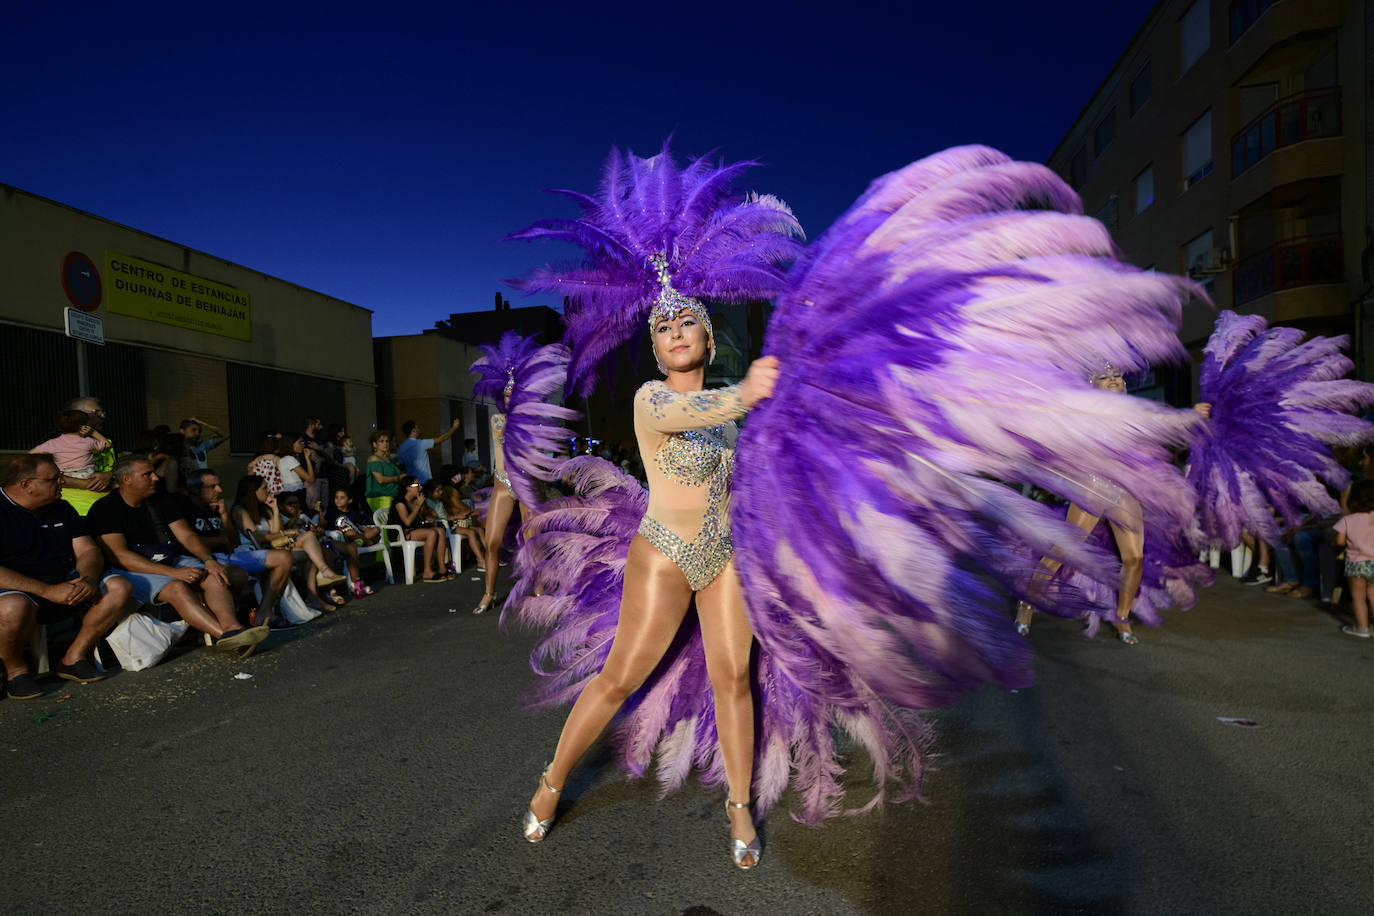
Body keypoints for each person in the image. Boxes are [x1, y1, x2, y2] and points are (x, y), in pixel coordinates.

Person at [522, 305, 779, 867]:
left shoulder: (728, 424)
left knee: (734, 679)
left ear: (709, 342)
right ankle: (553, 779)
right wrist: (747, 391)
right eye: (663, 328)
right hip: (664, 556)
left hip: (726, 559)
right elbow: (695, 407)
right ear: (658, 353)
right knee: (619, 679)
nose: (675, 333)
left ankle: (739, 805)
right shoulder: (652, 400)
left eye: (687, 324)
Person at [85, 456, 268, 657]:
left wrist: (208, 560)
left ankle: (232, 628)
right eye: (147, 474)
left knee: (214, 575)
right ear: (126, 479)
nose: (155, 478)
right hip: (130, 570)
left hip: (169, 559)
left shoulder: (161, 500)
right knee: (177, 588)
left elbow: (187, 536)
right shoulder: (106, 508)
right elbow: (120, 556)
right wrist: (173, 573)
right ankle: (229, 638)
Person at [0, 454, 134, 698]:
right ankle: (16, 672)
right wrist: (46, 590)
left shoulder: (61, 508)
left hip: (65, 581)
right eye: (54, 478)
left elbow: (88, 550)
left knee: (119, 587)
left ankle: (74, 657)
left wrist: (88, 578)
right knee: (12, 607)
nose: (62, 482)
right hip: (19, 590)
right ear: (26, 485)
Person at [180, 468, 295, 628]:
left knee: (284, 557)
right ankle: (235, 618)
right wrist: (220, 540)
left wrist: (223, 516)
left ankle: (264, 612)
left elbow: (232, 542)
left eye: (219, 485)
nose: (219, 490)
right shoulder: (184, 510)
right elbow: (190, 541)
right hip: (203, 560)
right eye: (212, 487)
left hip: (228, 556)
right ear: (195, 490)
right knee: (236, 575)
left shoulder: (215, 507)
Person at [230, 476, 347, 609]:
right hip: (256, 551)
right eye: (264, 488)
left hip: (273, 545)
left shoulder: (264, 508)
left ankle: (318, 586)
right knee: (308, 551)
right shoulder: (240, 510)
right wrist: (285, 533)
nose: (268, 490)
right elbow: (257, 538)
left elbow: (276, 531)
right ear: (253, 491)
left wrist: (274, 509)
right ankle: (318, 587)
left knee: (309, 539)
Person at [57, 396, 117, 515]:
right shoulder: (56, 440)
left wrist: (110, 475)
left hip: (107, 508)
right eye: (97, 412)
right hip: (75, 511)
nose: (103, 416)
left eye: (103, 412)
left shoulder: (107, 439)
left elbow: (118, 467)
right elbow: (41, 475)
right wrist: (88, 483)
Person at [388, 476, 451, 582]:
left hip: (414, 530)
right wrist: (418, 506)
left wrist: (426, 513)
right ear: (408, 487)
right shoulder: (400, 502)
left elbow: (424, 516)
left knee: (440, 531)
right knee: (431, 533)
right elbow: (407, 522)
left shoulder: (415, 500)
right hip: (400, 534)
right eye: (417, 485)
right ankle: (427, 571)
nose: (420, 487)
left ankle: (442, 568)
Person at [1334, 479, 1374, 637]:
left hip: (1356, 564)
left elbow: (1339, 542)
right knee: (1373, 595)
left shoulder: (1347, 520)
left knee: (1358, 597)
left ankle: (1362, 628)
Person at [30, 409, 110, 482]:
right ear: (84, 427)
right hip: (86, 477)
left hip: (64, 478)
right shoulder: (88, 441)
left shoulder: (53, 443)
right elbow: (107, 445)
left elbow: (31, 453)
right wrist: (93, 432)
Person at [396, 418, 462, 485]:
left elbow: (401, 466)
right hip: (424, 482)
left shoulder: (401, 448)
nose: (419, 429)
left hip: (411, 483)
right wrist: (454, 427)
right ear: (414, 431)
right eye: (417, 427)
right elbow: (442, 438)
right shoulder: (420, 443)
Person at [365, 430, 402, 512]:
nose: (385, 444)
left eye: (387, 441)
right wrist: (398, 478)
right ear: (374, 444)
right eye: (381, 441)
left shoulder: (387, 459)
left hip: (391, 496)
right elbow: (380, 480)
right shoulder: (374, 458)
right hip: (380, 497)